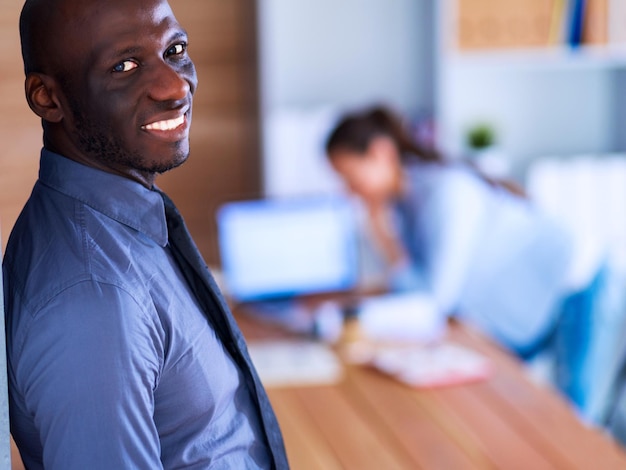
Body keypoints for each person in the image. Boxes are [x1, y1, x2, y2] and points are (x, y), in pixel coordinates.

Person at [2, 0, 288, 468]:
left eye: (175, 49)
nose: (176, 86)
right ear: (47, 98)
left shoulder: (120, 223)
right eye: (125, 66)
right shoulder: (92, 298)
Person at [325, 105, 610, 415]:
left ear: (381, 153)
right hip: (524, 313)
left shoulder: (447, 192)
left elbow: (436, 299)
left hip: (579, 284)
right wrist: (385, 237)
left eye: (350, 176)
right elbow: (413, 290)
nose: (349, 190)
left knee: (575, 417)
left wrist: (385, 241)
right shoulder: (405, 208)